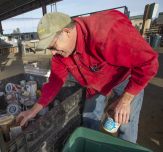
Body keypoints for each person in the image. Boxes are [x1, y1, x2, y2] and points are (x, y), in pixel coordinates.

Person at [16, 10, 159, 143]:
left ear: (66, 32)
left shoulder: (107, 31)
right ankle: (93, 145)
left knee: (126, 120)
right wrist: (32, 111)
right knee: (89, 117)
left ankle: (127, 147)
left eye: (52, 46)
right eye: (49, 49)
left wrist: (125, 100)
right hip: (95, 81)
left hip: (125, 77)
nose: (53, 53)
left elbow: (148, 63)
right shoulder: (61, 53)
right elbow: (55, 81)